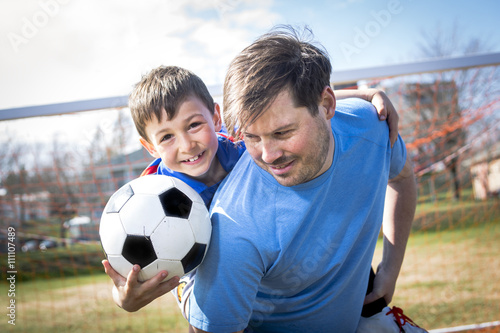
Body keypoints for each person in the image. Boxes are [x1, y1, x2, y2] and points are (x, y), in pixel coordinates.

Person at [101, 64, 412, 327]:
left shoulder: (240, 143)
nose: (187, 145)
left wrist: (366, 95)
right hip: (203, 281)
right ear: (150, 148)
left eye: (194, 125)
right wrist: (124, 300)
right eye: (167, 137)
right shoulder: (147, 199)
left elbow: (288, 106)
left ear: (216, 117)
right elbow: (128, 275)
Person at [183, 26, 418, 333]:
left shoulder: (370, 127)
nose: (267, 155)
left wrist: (390, 269)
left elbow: (401, 178)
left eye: (282, 133)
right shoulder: (235, 228)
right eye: (251, 137)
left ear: (328, 105)